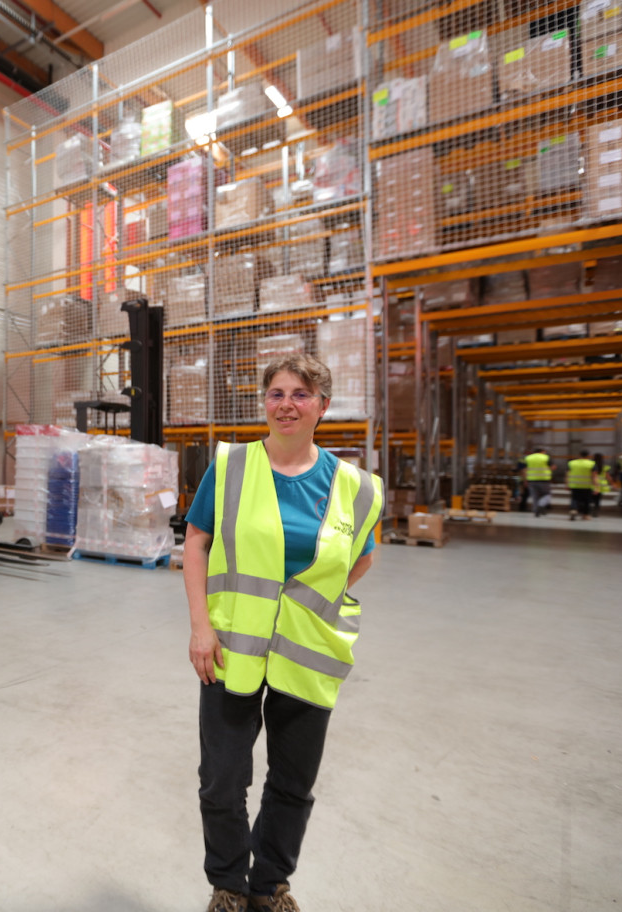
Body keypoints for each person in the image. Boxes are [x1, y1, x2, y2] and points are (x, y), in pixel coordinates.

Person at [182, 353, 383, 912]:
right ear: (264, 402)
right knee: (221, 780)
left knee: (292, 784)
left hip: (307, 651)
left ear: (322, 406)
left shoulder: (355, 486)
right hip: (230, 647)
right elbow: (196, 540)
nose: (287, 404)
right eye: (276, 393)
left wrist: (309, 602)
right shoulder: (232, 466)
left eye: (301, 394)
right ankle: (228, 885)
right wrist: (201, 627)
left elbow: (361, 555)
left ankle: (269, 886)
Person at [566, 450, 596, 522]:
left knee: (574, 498)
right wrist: (596, 486)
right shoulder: (591, 463)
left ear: (579, 455)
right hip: (587, 485)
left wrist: (567, 483)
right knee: (586, 501)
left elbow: (567, 474)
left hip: (574, 484)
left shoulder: (571, 463)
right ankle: (585, 515)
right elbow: (594, 476)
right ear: (588, 455)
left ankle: (573, 510)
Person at [522, 446, 553, 517]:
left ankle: (536, 511)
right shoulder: (546, 457)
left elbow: (525, 470)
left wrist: (525, 480)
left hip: (531, 480)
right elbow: (553, 467)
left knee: (535, 497)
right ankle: (541, 505)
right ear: (542, 451)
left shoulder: (528, 458)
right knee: (547, 495)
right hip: (544, 480)